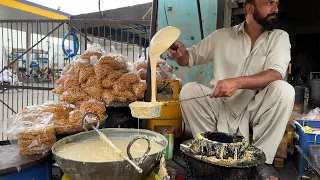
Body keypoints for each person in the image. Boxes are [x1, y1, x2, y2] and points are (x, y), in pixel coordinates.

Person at [168, 0, 294, 179]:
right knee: (189, 91)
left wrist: (237, 82)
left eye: (277, 3)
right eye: (269, 3)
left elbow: (276, 73)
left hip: (255, 108)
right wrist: (180, 52)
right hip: (222, 106)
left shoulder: (279, 37)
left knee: (284, 90)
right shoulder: (222, 36)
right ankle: (214, 153)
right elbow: (189, 58)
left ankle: (262, 162)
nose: (275, 8)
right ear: (250, 8)